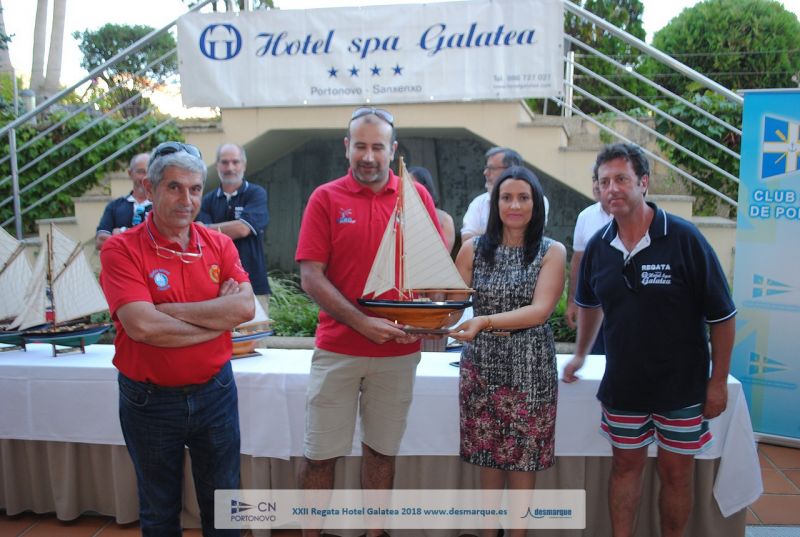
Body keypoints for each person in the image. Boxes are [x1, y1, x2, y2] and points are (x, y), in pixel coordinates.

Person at [562, 143, 736, 537]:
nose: (612, 189)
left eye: (621, 179)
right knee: (625, 468)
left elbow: (723, 317)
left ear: (643, 182)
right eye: (604, 181)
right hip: (624, 385)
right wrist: (580, 355)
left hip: (682, 387)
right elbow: (590, 305)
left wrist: (718, 382)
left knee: (676, 474)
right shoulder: (598, 246)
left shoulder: (685, 238)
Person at [295, 107, 441, 537]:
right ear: (347, 147)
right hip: (338, 348)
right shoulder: (325, 198)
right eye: (360, 146)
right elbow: (311, 277)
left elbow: (430, 273)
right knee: (319, 456)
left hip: (398, 351)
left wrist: (433, 312)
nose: (369, 156)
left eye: (378, 146)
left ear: (393, 150)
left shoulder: (416, 197)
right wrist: (362, 323)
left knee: (381, 454)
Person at [99, 141, 255, 536]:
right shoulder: (120, 249)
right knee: (159, 511)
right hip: (149, 400)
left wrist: (168, 310)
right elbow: (143, 327)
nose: (187, 200)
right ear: (149, 190)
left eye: (195, 189)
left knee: (224, 507)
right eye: (174, 187)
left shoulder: (219, 243)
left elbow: (244, 308)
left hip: (216, 392)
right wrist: (216, 320)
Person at [450, 166, 566, 537]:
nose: (514, 205)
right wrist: (421, 302)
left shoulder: (552, 251)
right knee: (487, 454)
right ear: (495, 203)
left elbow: (539, 311)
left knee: (523, 459)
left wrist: (484, 321)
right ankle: (488, 532)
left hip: (531, 366)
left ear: (536, 204)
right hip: (481, 366)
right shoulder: (472, 249)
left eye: (523, 198)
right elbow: (452, 306)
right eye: (506, 197)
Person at [198, 143, 271, 316]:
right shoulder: (206, 200)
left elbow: (243, 229)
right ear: (217, 165)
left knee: (256, 334)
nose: (230, 168)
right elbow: (201, 237)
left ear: (244, 165)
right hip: (217, 286)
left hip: (253, 284)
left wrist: (207, 228)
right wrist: (218, 230)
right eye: (224, 162)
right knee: (220, 333)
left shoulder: (256, 194)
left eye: (235, 162)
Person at [566, 171, 612, 355]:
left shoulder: (634, 217)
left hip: (627, 307)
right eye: (595, 180)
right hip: (594, 304)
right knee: (594, 360)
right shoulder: (585, 216)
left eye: (601, 180)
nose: (596, 185)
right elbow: (578, 260)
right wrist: (572, 301)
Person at [461, 147, 549, 242]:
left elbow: (533, 236)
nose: (485, 173)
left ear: (511, 169)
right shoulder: (479, 202)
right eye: (506, 198)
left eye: (492, 168)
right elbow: (467, 239)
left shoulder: (538, 199)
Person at [95, 152, 151, 249]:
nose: (145, 177)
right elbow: (100, 242)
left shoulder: (161, 207)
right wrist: (140, 242)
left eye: (149, 172)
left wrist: (121, 233)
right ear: (130, 173)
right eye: (140, 172)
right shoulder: (114, 206)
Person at [409, 165, 456, 253]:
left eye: (412, 187)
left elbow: (442, 255)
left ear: (425, 189)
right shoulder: (398, 217)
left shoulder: (444, 220)